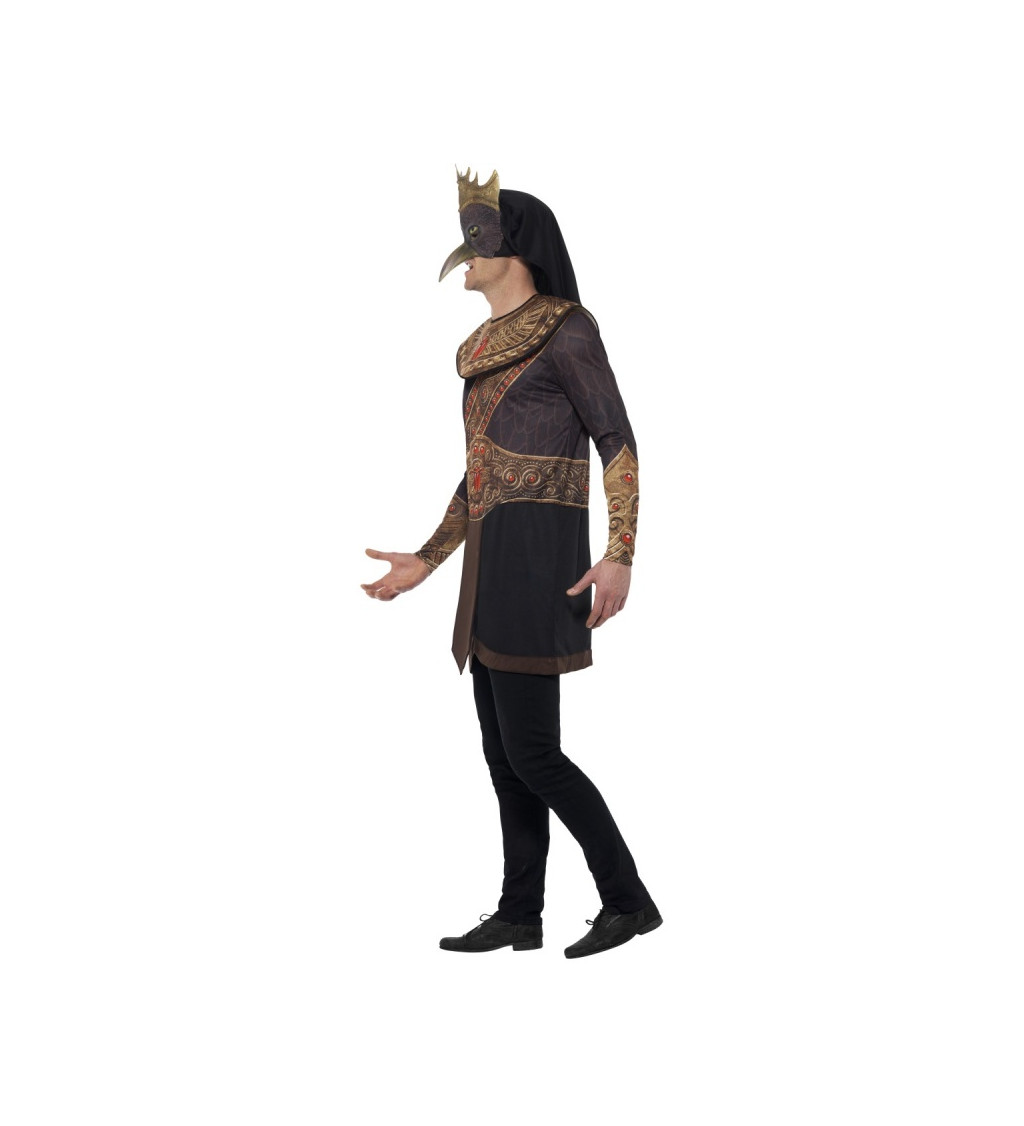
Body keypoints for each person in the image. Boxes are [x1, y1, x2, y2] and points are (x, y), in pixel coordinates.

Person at [361, 168, 661, 959]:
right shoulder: (479, 350)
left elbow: (617, 441)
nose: (465, 255)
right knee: (505, 758)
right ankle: (519, 913)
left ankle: (628, 901)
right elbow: (481, 471)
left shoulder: (567, 329)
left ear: (516, 248)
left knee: (535, 754)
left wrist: (620, 553)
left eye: (478, 242)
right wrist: (428, 559)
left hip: (540, 553)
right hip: (490, 561)